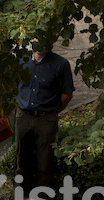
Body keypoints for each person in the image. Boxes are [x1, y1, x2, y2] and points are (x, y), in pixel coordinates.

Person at [15, 45, 75, 192]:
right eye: (36, 38)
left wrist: (52, 111)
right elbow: (14, 87)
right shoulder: (21, 61)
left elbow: (67, 94)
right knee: (22, 163)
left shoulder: (60, 64)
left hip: (46, 120)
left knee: (45, 164)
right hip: (23, 117)